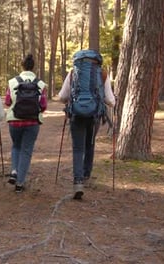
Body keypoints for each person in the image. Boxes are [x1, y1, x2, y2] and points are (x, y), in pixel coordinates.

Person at [58, 51, 115, 200]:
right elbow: (110, 100)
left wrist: (70, 100)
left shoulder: (73, 73)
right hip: (94, 115)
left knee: (78, 148)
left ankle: (78, 182)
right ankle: (86, 175)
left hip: (76, 114)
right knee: (90, 144)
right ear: (97, 61)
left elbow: (62, 97)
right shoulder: (102, 74)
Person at [5, 54, 48, 193]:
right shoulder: (41, 84)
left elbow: (7, 101)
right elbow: (43, 105)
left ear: (22, 66)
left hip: (14, 120)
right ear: (33, 66)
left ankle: (14, 171)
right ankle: (20, 183)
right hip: (32, 122)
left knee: (16, 146)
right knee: (26, 150)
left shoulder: (12, 82)